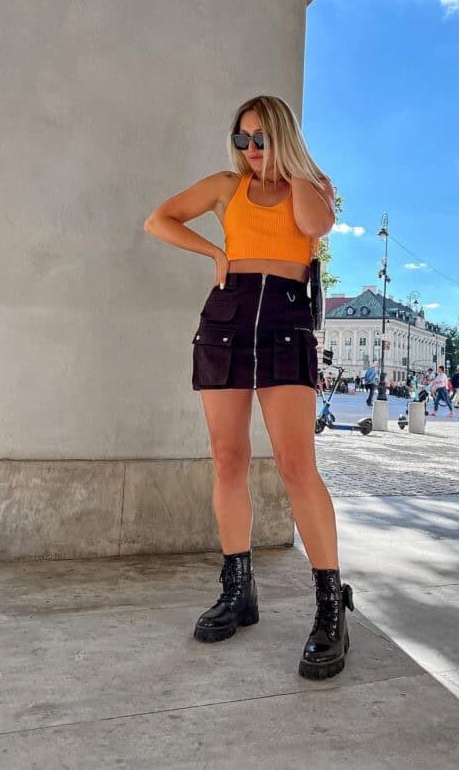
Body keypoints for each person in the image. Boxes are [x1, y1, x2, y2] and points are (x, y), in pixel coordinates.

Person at [144, 95, 354, 680]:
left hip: (286, 322)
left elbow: (314, 226)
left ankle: (330, 607)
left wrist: (295, 170)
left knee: (295, 465)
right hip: (227, 319)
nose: (251, 151)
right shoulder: (223, 186)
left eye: (262, 139)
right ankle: (239, 590)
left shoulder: (309, 185)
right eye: (242, 140)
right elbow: (157, 219)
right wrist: (214, 251)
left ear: (283, 138)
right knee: (228, 458)